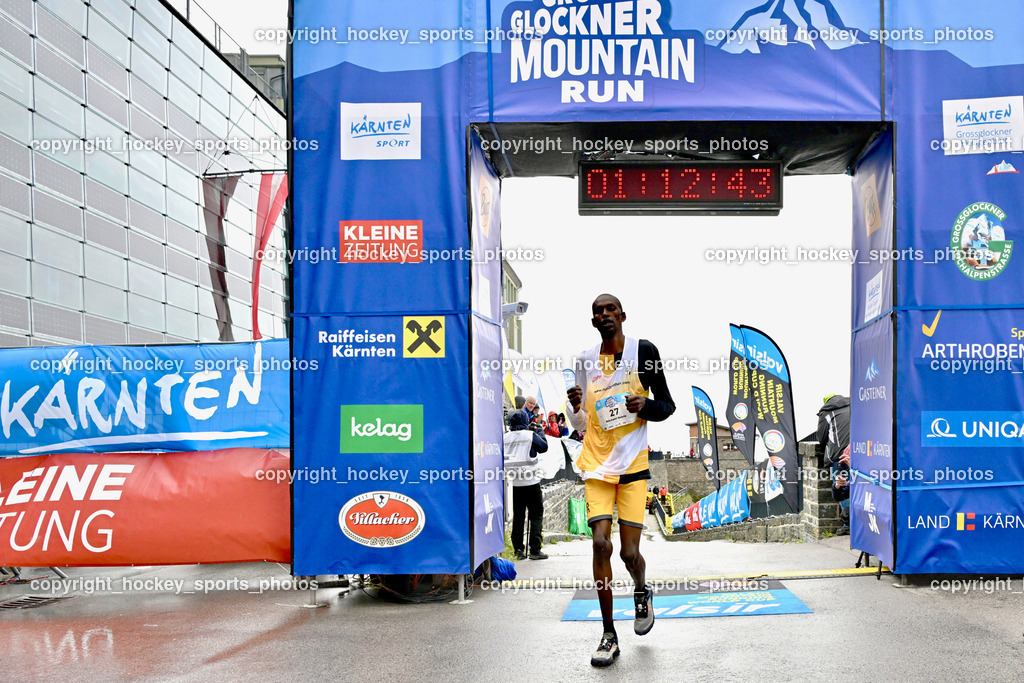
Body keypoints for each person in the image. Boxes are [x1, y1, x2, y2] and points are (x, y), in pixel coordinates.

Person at [566, 293, 675, 667]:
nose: (604, 314)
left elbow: (667, 406)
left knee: (629, 553)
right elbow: (579, 424)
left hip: (632, 466)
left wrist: (645, 406)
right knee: (600, 544)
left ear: (622, 316)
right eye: (597, 311)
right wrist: (575, 406)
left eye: (610, 309)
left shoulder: (643, 352)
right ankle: (608, 635)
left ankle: (642, 591)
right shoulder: (584, 361)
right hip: (596, 464)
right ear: (593, 322)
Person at [509, 398, 550, 561]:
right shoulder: (529, 435)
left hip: (513, 483)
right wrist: (539, 431)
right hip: (531, 482)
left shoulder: (505, 437)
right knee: (536, 515)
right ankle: (535, 549)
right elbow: (544, 447)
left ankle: (518, 549)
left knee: (518, 517)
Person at [816, 393, 851, 535]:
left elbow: (821, 437)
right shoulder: (853, 405)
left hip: (840, 455)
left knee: (841, 487)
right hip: (860, 450)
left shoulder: (826, 412)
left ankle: (848, 525)